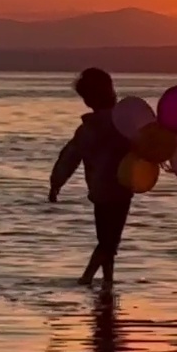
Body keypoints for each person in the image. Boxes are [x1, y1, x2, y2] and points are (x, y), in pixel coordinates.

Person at [49, 68, 133, 288]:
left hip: (99, 189)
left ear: (87, 100)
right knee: (109, 241)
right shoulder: (123, 122)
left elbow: (69, 157)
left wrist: (56, 183)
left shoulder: (88, 128)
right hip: (121, 188)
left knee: (106, 239)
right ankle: (87, 278)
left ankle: (107, 281)